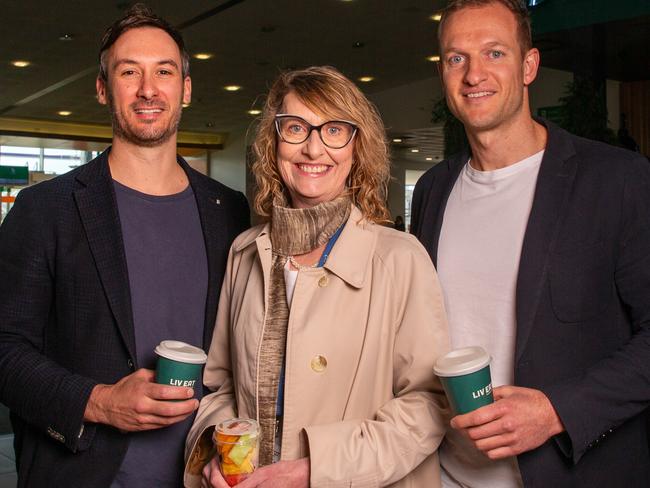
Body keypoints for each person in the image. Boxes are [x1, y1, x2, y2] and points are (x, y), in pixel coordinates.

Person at [0, 4, 249, 487]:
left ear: (187, 88)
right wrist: (97, 401)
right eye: (128, 71)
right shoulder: (44, 209)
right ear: (102, 88)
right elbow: (5, 348)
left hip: (204, 476)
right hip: (83, 473)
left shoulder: (230, 212)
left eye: (164, 71)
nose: (148, 89)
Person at [411, 0, 650, 487]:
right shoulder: (434, 189)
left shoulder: (616, 179)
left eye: (494, 53)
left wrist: (556, 410)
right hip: (448, 475)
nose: (474, 74)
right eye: (457, 58)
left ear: (529, 65)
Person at [184, 66, 450, 488]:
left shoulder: (400, 259)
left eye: (334, 130)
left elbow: (430, 405)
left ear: (356, 147)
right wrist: (219, 448)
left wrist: (315, 471)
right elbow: (221, 386)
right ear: (274, 144)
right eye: (295, 128)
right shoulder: (244, 253)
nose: (313, 148)